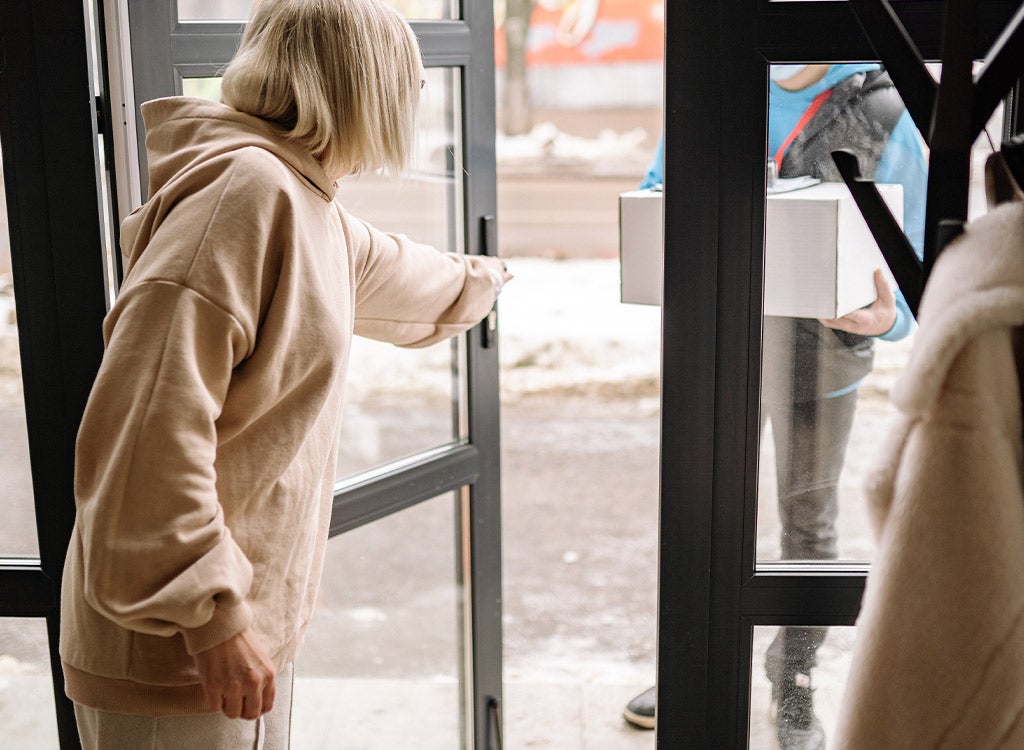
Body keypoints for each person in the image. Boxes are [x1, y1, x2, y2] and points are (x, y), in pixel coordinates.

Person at [58, 1, 511, 747]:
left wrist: (487, 278)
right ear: (362, 89)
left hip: (225, 625)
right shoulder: (245, 195)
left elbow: (387, 269)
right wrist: (215, 615)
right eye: (407, 84)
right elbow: (146, 435)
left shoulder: (302, 199)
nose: (415, 102)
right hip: (176, 644)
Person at [622, 63, 927, 750]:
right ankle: (695, 671)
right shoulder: (717, 78)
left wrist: (885, 319)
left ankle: (794, 686)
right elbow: (654, 197)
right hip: (719, 343)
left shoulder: (887, 108)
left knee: (808, 525)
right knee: (700, 512)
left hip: (823, 358)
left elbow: (913, 269)